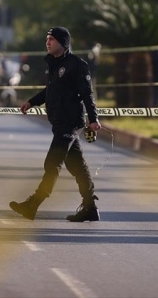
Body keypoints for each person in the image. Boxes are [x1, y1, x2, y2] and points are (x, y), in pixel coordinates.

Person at [10, 26, 102, 222]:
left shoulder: (77, 65)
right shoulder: (53, 63)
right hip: (59, 122)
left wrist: (93, 119)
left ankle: (33, 204)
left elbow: (87, 94)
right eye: (47, 38)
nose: (48, 42)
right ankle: (90, 208)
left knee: (52, 163)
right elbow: (50, 91)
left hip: (70, 122)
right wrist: (31, 102)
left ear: (63, 42)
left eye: (52, 39)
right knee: (77, 166)